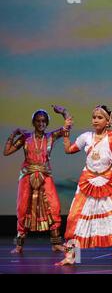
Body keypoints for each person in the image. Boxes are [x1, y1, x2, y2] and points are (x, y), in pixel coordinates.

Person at [56, 90, 112, 266]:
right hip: (87, 182)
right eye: (94, 117)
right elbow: (69, 150)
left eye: (99, 117)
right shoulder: (86, 137)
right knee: (73, 219)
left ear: (108, 121)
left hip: (108, 182)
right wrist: (66, 131)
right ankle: (71, 256)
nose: (95, 120)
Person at [3, 106, 71, 254]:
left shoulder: (51, 137)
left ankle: (56, 243)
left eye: (44, 121)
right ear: (33, 122)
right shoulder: (26, 137)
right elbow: (6, 152)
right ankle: (19, 245)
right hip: (27, 175)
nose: (41, 124)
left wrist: (64, 112)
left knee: (54, 207)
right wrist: (14, 133)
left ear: (47, 123)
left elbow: (67, 127)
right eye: (38, 121)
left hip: (45, 175)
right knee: (22, 208)